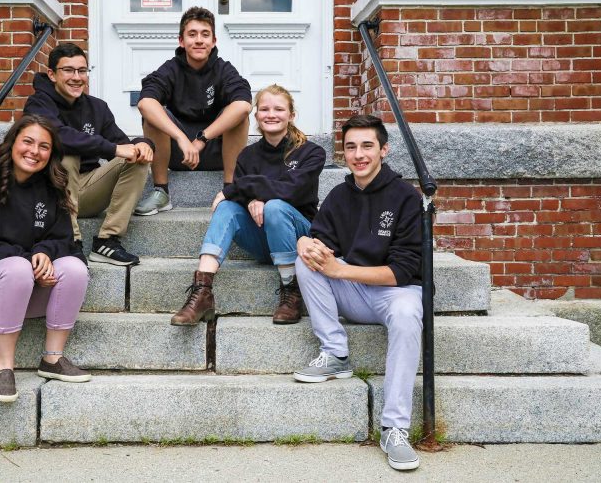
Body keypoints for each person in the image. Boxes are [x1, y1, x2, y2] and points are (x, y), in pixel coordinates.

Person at [294, 114, 423, 471]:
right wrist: (307, 241)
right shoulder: (338, 195)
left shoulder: (406, 198)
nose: (358, 154)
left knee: (408, 314)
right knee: (305, 258)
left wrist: (340, 270)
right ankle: (335, 352)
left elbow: (402, 271)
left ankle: (395, 428)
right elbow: (322, 244)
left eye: (367, 146)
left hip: (396, 294)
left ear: (384, 149)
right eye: (351, 147)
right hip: (354, 292)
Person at [0, 114, 91, 403]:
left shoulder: (51, 187)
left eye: (44, 146)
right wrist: (30, 261)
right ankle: (3, 366)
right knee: (18, 268)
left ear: (51, 153)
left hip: (29, 292)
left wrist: (44, 254)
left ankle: (52, 359)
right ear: (12, 143)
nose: (34, 151)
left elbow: (65, 239)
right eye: (28, 141)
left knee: (75, 269)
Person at [170, 84, 325, 326]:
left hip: (298, 236)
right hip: (261, 238)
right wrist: (249, 197)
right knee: (226, 208)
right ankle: (202, 291)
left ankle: (290, 290)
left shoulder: (311, 152)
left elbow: (292, 190)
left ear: (291, 115)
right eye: (264, 109)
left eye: (279, 109)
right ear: (256, 116)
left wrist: (243, 190)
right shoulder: (247, 155)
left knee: (275, 206)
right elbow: (240, 197)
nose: (270, 114)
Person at [24, 43, 153, 266]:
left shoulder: (97, 107)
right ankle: (71, 241)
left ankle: (107, 240)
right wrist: (112, 149)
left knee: (135, 158)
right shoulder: (38, 104)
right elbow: (59, 135)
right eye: (69, 70)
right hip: (53, 194)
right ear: (52, 74)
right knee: (65, 153)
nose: (77, 77)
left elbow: (122, 142)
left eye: (82, 71)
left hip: (88, 190)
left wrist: (143, 143)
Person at [135, 6, 252, 216]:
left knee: (238, 115)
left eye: (205, 35)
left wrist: (201, 139)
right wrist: (181, 138)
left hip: (215, 152)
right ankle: (161, 191)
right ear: (181, 41)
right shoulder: (170, 69)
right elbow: (145, 103)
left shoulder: (224, 70)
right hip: (178, 155)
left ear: (214, 41)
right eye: (192, 34)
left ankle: (230, 190)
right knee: (153, 113)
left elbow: (244, 105)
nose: (199, 40)